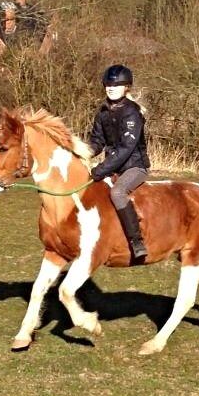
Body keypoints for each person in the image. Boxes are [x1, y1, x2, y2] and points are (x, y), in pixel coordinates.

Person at [88, 64, 150, 260]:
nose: (111, 88)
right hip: (113, 167)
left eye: (116, 85)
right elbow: (97, 140)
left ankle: (136, 241)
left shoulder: (132, 113)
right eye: (108, 85)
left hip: (134, 167)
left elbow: (126, 149)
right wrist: (82, 152)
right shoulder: (103, 112)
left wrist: (100, 169)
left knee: (117, 192)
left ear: (127, 88)